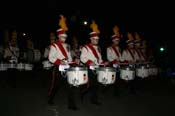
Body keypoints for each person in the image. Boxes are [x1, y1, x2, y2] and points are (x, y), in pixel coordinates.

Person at [48, 15, 79, 110]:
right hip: (58, 69)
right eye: (62, 36)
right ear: (59, 36)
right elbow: (51, 58)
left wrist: (74, 61)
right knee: (55, 86)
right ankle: (50, 99)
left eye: (65, 37)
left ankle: (71, 105)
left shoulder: (67, 46)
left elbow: (69, 58)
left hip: (67, 69)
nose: (64, 38)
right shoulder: (54, 46)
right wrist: (59, 61)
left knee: (69, 86)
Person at [80, 20, 108, 105]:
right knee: (90, 85)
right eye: (95, 39)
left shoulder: (98, 48)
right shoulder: (86, 47)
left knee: (95, 85)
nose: (97, 41)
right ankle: (82, 92)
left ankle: (94, 100)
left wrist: (103, 62)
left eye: (97, 39)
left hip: (97, 68)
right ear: (91, 39)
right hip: (89, 68)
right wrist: (89, 62)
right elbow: (82, 58)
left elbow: (99, 59)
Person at [106, 25, 123, 96]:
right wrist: (115, 61)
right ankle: (105, 89)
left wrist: (123, 61)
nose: (118, 41)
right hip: (112, 65)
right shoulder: (109, 48)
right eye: (116, 40)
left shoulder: (119, 48)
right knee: (111, 79)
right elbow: (109, 57)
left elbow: (120, 57)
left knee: (117, 80)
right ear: (113, 40)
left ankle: (116, 93)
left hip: (118, 65)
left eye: (118, 40)